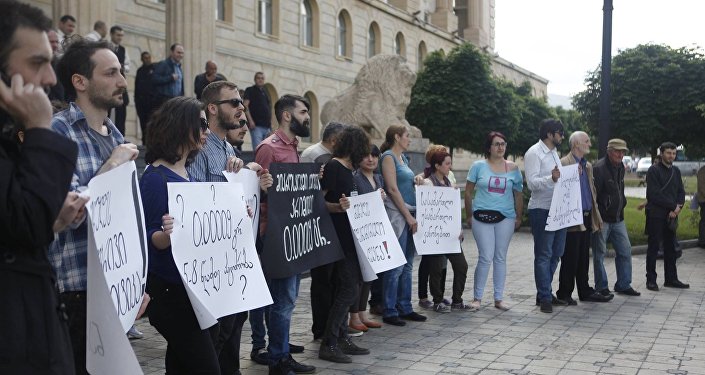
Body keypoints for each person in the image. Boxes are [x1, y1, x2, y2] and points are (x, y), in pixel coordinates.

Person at [0, 2, 86, 373]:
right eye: (37, 62)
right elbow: (27, 221)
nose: (51, 77)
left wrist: (52, 224)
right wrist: (38, 128)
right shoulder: (31, 130)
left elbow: (16, 229)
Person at [49, 39, 139, 374]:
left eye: (121, 73)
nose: (122, 82)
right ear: (80, 81)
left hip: (114, 290)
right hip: (76, 292)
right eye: (112, 73)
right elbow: (70, 214)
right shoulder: (58, 131)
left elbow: (128, 222)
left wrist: (136, 282)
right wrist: (113, 167)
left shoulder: (118, 138)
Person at [139, 97, 220, 373]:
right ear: (179, 125)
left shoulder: (187, 173)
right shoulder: (155, 178)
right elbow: (148, 236)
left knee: (181, 364)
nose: (206, 130)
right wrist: (166, 236)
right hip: (169, 293)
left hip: (193, 289)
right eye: (200, 124)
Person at [255, 94, 315, 375]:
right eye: (304, 112)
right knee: (283, 299)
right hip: (275, 234)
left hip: (292, 232)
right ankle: (278, 359)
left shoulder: (293, 148)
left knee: (285, 299)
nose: (308, 117)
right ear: (287, 115)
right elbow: (259, 193)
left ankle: (281, 351)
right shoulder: (269, 148)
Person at [318, 124, 372, 363]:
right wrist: (336, 207)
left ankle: (340, 337)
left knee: (350, 288)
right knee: (348, 289)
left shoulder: (350, 170)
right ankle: (329, 343)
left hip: (352, 239)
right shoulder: (333, 166)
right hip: (338, 239)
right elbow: (317, 202)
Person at [300, 121, 348, 340]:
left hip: (333, 225)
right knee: (321, 281)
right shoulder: (312, 154)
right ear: (335, 140)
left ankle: (333, 325)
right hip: (318, 225)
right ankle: (320, 328)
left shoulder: (337, 159)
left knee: (334, 280)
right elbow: (306, 188)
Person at [465, 131, 523, 311]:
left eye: (503, 144)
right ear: (489, 147)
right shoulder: (478, 166)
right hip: (481, 216)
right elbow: (468, 192)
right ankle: (477, 298)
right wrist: (468, 215)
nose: (500, 147)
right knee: (485, 256)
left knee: (500, 257)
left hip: (505, 217)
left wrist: (518, 216)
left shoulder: (513, 168)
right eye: (497, 144)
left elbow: (518, 194)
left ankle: (499, 298)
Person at [379, 125, 426, 326]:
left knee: (407, 264)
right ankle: (389, 309)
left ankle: (405, 306)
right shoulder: (388, 157)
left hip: (410, 213)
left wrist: (417, 179)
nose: (409, 140)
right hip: (399, 216)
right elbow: (391, 188)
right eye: (407, 136)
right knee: (396, 265)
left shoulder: (403, 159)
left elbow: (405, 183)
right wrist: (408, 216)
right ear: (397, 137)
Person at [555, 131, 608, 304]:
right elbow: (560, 191)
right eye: (586, 141)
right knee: (571, 256)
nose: (589, 144)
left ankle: (585, 291)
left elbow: (591, 192)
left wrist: (595, 215)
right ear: (576, 144)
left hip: (585, 215)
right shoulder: (564, 163)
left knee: (584, 256)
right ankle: (564, 292)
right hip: (571, 217)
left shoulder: (588, 166)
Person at [524, 119, 567, 313]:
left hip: (558, 209)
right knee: (544, 254)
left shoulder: (554, 153)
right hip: (542, 209)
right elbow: (532, 184)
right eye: (560, 132)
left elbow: (559, 177)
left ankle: (544, 292)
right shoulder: (534, 153)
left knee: (556, 252)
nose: (562, 136)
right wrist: (552, 178)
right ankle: (545, 297)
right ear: (550, 134)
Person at [421, 148, 471, 313]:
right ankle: (437, 301)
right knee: (435, 269)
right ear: (437, 165)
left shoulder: (450, 183)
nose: (450, 167)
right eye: (447, 163)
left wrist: (459, 228)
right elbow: (425, 208)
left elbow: (454, 210)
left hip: (450, 234)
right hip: (435, 234)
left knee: (461, 266)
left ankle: (457, 300)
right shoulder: (427, 183)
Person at [592, 139, 641, 296]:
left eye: (623, 152)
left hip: (618, 218)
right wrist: (597, 217)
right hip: (603, 218)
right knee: (599, 254)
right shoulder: (599, 168)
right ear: (609, 151)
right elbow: (594, 197)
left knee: (625, 251)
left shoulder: (620, 166)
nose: (621, 154)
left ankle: (623, 284)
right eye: (617, 151)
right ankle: (602, 286)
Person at [348, 145, 384, 331]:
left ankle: (363, 313)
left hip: (374, 233)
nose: (371, 159)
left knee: (370, 275)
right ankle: (353, 317)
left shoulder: (378, 178)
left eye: (374, 156)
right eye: (366, 155)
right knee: (358, 277)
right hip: (359, 233)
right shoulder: (355, 178)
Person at [645, 142, 688, 291]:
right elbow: (654, 194)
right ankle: (651, 280)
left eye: (674, 153)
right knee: (654, 247)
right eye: (668, 153)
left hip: (671, 215)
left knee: (671, 248)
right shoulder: (653, 171)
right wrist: (672, 206)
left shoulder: (676, 171)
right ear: (662, 153)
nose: (671, 156)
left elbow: (681, 192)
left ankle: (671, 279)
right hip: (656, 215)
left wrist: (678, 208)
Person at [417, 144, 452, 310]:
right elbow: (419, 182)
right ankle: (423, 296)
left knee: (442, 263)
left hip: (444, 228)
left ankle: (439, 293)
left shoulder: (448, 176)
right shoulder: (426, 179)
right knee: (427, 262)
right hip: (431, 228)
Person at [109, 25, 130, 135]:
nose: (120, 38)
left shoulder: (123, 49)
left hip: (120, 81)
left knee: (122, 108)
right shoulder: (106, 47)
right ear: (111, 34)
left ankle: (121, 136)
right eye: (118, 35)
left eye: (121, 35)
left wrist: (121, 67)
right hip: (109, 82)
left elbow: (127, 66)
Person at [151, 43, 184, 114]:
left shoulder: (179, 67)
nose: (180, 55)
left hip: (177, 102)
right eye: (178, 52)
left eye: (182, 53)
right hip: (165, 102)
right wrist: (170, 78)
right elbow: (155, 79)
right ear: (172, 52)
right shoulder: (163, 64)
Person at [244, 71, 272, 149]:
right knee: (258, 150)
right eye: (258, 78)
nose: (260, 80)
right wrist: (250, 121)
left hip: (267, 127)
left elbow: (268, 110)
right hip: (256, 127)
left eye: (262, 78)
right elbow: (245, 106)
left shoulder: (265, 93)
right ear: (255, 79)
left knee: (266, 150)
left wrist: (270, 127)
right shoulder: (250, 90)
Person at [134, 51, 154, 144]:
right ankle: (144, 142)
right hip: (141, 103)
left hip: (152, 103)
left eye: (148, 57)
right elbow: (137, 88)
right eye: (145, 58)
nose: (147, 60)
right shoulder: (140, 71)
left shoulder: (154, 69)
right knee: (143, 124)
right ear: (142, 59)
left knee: (152, 124)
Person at [697, 165, 705, 248]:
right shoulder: (702, 171)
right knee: (704, 221)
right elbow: (702, 187)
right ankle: (702, 241)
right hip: (703, 200)